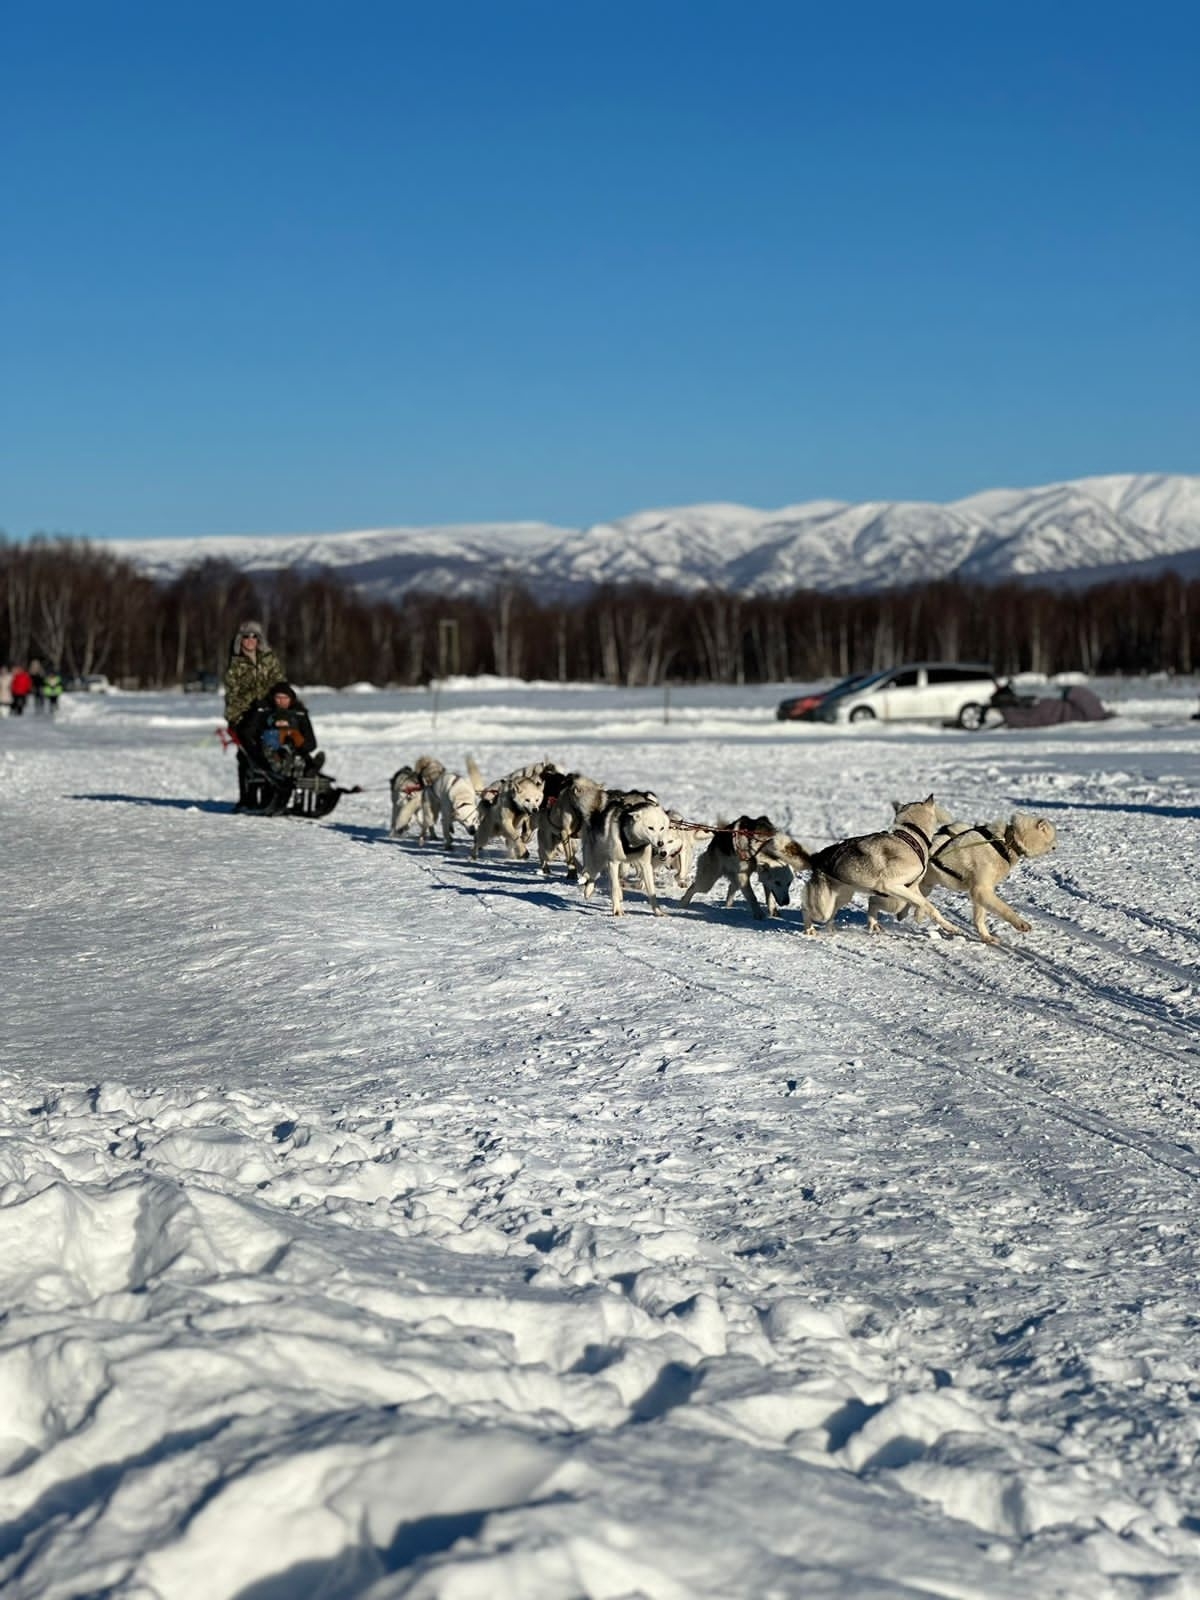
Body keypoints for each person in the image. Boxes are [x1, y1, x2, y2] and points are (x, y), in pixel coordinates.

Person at [223, 621, 284, 809]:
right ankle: (248, 799)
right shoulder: (235, 665)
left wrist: (283, 700)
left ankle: (269, 797)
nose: (250, 640)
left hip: (269, 714)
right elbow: (234, 694)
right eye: (246, 636)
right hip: (244, 716)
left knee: (272, 749)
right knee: (246, 757)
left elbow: (279, 682)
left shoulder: (269, 660)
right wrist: (252, 703)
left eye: (254, 636)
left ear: (259, 639)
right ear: (240, 640)